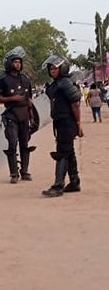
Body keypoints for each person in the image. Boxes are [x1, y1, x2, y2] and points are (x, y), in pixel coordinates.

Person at [41, 54, 83, 197]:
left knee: (62, 153)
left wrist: (78, 125)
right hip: (60, 122)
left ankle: (58, 185)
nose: (52, 71)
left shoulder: (65, 83)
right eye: (51, 69)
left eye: (55, 68)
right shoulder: (55, 84)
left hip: (67, 122)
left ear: (62, 68)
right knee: (69, 152)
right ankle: (75, 182)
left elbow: (75, 104)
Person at [0, 46, 35, 184]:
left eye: (19, 62)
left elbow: (29, 100)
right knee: (12, 143)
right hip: (11, 115)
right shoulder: (2, 79)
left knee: (25, 143)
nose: (18, 64)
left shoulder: (25, 80)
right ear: (9, 63)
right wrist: (12, 99)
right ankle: (13, 173)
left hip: (24, 116)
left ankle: (25, 171)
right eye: (15, 62)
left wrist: (32, 116)